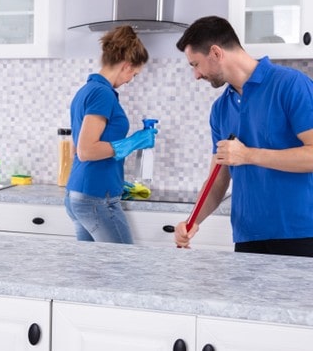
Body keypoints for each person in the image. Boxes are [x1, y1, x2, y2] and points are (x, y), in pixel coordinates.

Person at [174, 16, 313, 257]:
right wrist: (193, 220)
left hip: (300, 234)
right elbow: (218, 178)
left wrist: (248, 155)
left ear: (216, 53)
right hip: (248, 237)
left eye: (195, 64)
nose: (196, 75)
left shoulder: (291, 85)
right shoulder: (220, 109)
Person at [64, 25, 157, 244]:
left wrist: (115, 180)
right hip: (96, 198)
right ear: (126, 66)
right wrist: (131, 143)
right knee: (122, 269)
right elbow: (86, 151)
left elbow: (80, 147)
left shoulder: (87, 90)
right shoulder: (102, 94)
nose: (130, 80)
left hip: (81, 193)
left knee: (91, 273)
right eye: (133, 74)